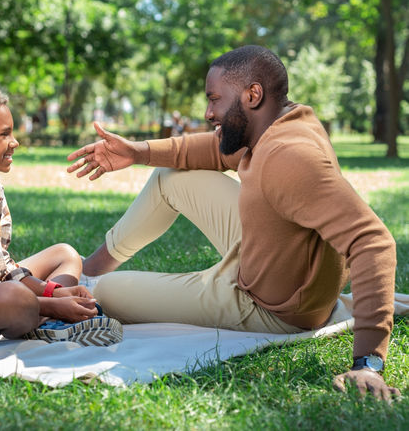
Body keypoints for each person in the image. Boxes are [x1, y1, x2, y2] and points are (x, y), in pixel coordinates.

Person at [66, 45, 400, 401]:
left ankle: (91, 281)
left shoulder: (290, 157)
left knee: (102, 294)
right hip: (270, 254)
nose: (209, 113)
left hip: (269, 305)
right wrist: (137, 152)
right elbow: (212, 150)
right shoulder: (280, 122)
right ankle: (90, 267)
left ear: (253, 95)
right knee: (171, 177)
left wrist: (369, 363)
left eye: (215, 100)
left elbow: (372, 241)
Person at [0, 81, 122, 347]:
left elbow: (1, 268)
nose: (15, 142)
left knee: (65, 254)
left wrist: (54, 292)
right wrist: (53, 305)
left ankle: (43, 320)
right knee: (14, 298)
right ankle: (45, 316)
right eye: (4, 134)